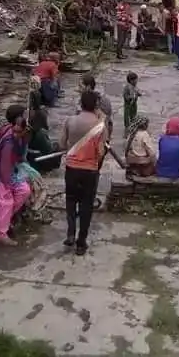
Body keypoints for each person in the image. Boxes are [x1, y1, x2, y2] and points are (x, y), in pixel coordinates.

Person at [60, 90, 107, 255]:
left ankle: (70, 233)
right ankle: (81, 243)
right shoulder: (99, 126)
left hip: (71, 168)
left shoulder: (70, 121)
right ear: (96, 105)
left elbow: (62, 144)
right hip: (89, 171)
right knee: (86, 205)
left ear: (81, 103)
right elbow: (100, 152)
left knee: (71, 200)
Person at [0, 104, 32, 246]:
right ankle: (2, 233)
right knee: (5, 201)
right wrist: (7, 185)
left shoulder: (20, 135)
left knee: (24, 190)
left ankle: (4, 220)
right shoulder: (9, 141)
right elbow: (4, 167)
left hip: (11, 170)